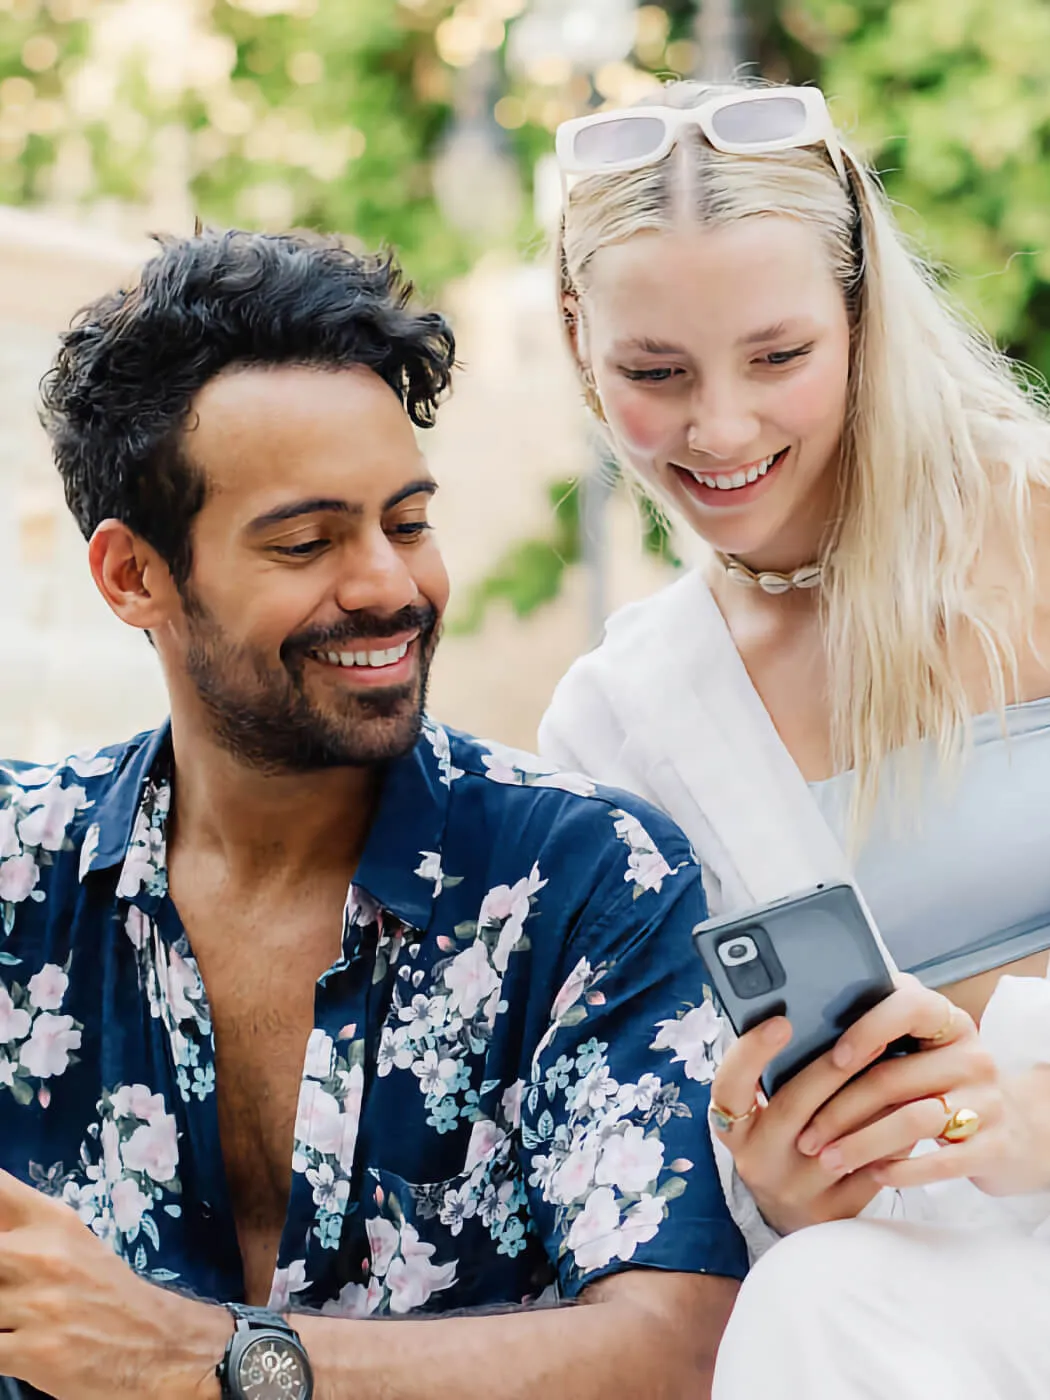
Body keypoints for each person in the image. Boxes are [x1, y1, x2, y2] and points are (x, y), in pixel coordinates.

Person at [0, 229, 746, 1400]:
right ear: (131, 576)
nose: (391, 586)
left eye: (406, 521)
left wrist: (191, 1357)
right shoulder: (11, 872)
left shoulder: (591, 882)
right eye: (307, 540)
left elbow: (675, 1350)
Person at [539, 79, 1050, 1393]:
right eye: (652, 374)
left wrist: (1027, 1109)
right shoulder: (618, 722)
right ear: (576, 341)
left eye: (777, 358)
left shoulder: (1038, 528)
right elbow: (668, 1194)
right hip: (911, 1302)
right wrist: (778, 1193)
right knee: (815, 1296)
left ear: (859, 318)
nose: (717, 431)